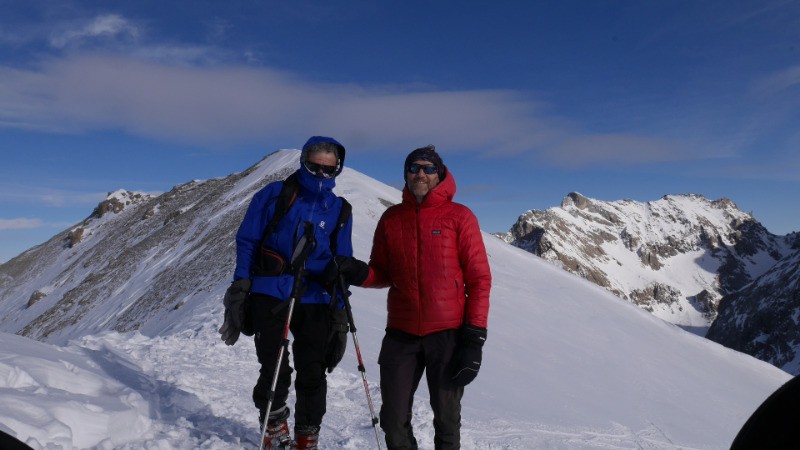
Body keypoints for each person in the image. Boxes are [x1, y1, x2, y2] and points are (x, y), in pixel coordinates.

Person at [327, 145, 492, 450]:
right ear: (406, 174)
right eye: (414, 168)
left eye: (429, 168)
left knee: (446, 420)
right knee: (393, 420)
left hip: (448, 334)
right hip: (401, 334)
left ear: (439, 174)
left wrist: (474, 339)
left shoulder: (460, 217)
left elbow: (479, 280)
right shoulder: (392, 219)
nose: (421, 174)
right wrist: (358, 273)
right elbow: (382, 273)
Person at [219, 136, 353, 450]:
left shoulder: (340, 209)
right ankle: (273, 425)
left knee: (313, 369)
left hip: (315, 296)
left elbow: (343, 261)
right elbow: (248, 240)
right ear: (303, 162)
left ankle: (307, 435)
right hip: (271, 290)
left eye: (328, 169)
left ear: (337, 169)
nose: (321, 174)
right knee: (275, 364)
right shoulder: (274, 194)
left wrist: (338, 310)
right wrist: (241, 285)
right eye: (315, 166)